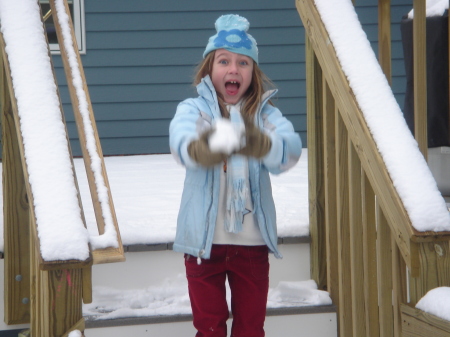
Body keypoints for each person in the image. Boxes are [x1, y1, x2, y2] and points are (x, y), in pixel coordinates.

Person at [169, 14, 302, 337]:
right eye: (224, 61)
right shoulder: (194, 110)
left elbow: (290, 150)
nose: (233, 69)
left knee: (250, 329)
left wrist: (260, 143)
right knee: (209, 328)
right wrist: (201, 149)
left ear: (253, 73)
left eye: (243, 63)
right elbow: (181, 140)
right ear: (208, 70)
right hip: (204, 245)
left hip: (252, 247)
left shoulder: (266, 116)